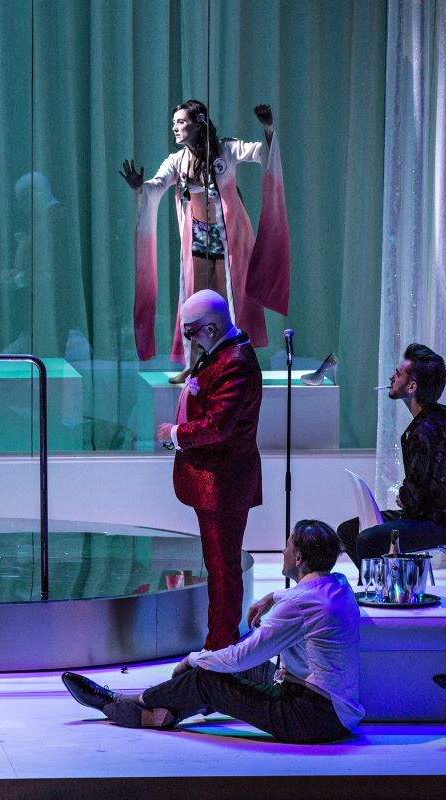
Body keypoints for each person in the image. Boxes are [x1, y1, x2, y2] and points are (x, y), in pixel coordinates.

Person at [62, 519, 363, 744]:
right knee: (232, 668)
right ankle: (164, 713)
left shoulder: (297, 605)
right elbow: (304, 601)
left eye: (287, 546)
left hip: (309, 717)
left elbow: (239, 658)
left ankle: (128, 702)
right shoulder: (339, 586)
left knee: (208, 676)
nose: (282, 551)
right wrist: (273, 597)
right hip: (335, 714)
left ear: (298, 558)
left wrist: (194, 659)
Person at [121, 100, 289, 382]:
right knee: (195, 304)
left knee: (228, 304)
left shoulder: (225, 150)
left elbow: (262, 154)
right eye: (174, 123)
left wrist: (268, 129)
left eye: (181, 122)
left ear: (198, 124)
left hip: (230, 241)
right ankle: (194, 364)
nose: (175, 128)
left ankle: (236, 364)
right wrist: (141, 187)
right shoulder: (177, 161)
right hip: (198, 240)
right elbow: (157, 185)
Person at [156, 290, 261, 649]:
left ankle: (221, 646)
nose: (190, 340)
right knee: (218, 566)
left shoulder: (235, 361)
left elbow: (219, 425)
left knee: (222, 568)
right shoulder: (221, 351)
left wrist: (176, 433)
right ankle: (219, 642)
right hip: (216, 480)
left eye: (191, 332)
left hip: (224, 483)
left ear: (212, 328)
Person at [338, 343, 446, 567]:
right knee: (349, 530)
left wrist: (404, 497)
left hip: (435, 522)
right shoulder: (435, 417)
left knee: (366, 539)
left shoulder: (424, 431)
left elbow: (417, 496)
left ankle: (378, 587)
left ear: (412, 386)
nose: (391, 377)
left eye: (397, 374)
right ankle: (385, 581)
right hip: (425, 515)